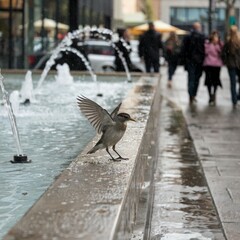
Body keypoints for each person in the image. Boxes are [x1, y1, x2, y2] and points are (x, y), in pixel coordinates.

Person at [180, 22, 205, 104]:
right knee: (197, 79)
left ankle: (191, 95)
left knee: (191, 78)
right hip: (199, 61)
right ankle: (193, 94)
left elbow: (183, 50)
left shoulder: (188, 37)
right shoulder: (202, 36)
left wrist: (184, 60)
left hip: (190, 61)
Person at [203, 30, 224, 105]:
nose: (216, 38)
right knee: (208, 81)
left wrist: (217, 45)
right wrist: (211, 44)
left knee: (215, 80)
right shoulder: (207, 44)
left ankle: (214, 94)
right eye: (215, 37)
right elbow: (205, 52)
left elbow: (222, 52)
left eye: (217, 37)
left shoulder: (220, 44)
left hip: (217, 65)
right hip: (208, 64)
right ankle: (210, 95)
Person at [222, 25, 240, 107]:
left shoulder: (228, 42)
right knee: (234, 83)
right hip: (235, 64)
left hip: (231, 65)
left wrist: (226, 62)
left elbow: (223, 54)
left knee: (233, 83)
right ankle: (236, 98)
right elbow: (223, 54)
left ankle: (234, 99)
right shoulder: (229, 42)